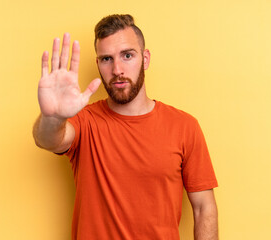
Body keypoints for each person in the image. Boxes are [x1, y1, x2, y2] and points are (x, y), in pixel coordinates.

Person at [33, 14, 218, 240]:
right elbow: (49, 139)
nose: (118, 69)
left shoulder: (185, 126)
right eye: (107, 59)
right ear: (98, 65)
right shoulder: (85, 121)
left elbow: (203, 209)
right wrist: (53, 117)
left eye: (127, 55)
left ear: (145, 58)